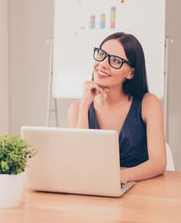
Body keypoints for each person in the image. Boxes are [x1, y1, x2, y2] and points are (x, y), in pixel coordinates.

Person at [68, 32, 166, 184]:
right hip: (94, 189)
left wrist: (123, 176)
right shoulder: (77, 108)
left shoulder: (148, 103)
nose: (103, 65)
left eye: (115, 60)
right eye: (101, 54)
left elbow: (159, 163)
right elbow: (80, 160)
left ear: (131, 72)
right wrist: (84, 105)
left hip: (140, 193)